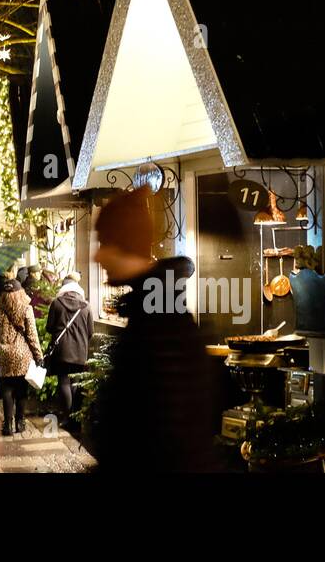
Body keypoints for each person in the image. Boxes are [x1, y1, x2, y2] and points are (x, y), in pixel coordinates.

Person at [91, 186, 215, 471]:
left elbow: (167, 434)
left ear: (124, 245)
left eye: (104, 242)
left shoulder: (158, 319)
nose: (98, 257)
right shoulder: (154, 307)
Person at [0, 277, 44, 435]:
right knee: (21, 389)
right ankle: (20, 422)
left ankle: (7, 424)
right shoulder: (26, 309)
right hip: (22, 354)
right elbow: (32, 335)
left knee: (7, 389)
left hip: (4, 353)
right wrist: (39, 356)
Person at [45, 271, 94, 432]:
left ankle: (67, 418)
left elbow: (49, 328)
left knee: (64, 382)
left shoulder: (57, 303)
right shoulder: (86, 306)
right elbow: (90, 332)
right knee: (75, 383)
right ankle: (75, 419)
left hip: (62, 351)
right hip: (80, 351)